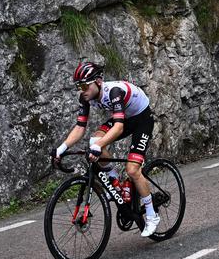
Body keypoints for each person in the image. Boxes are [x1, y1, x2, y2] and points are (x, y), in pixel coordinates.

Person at [53, 62, 160, 237]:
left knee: (132, 169)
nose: (82, 90)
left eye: (85, 85)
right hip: (125, 118)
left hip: (141, 119)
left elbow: (118, 127)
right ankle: (115, 182)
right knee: (95, 139)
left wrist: (98, 146)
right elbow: (80, 128)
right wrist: (61, 148)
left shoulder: (114, 92)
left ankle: (151, 214)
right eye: (79, 86)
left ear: (98, 81)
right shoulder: (86, 97)